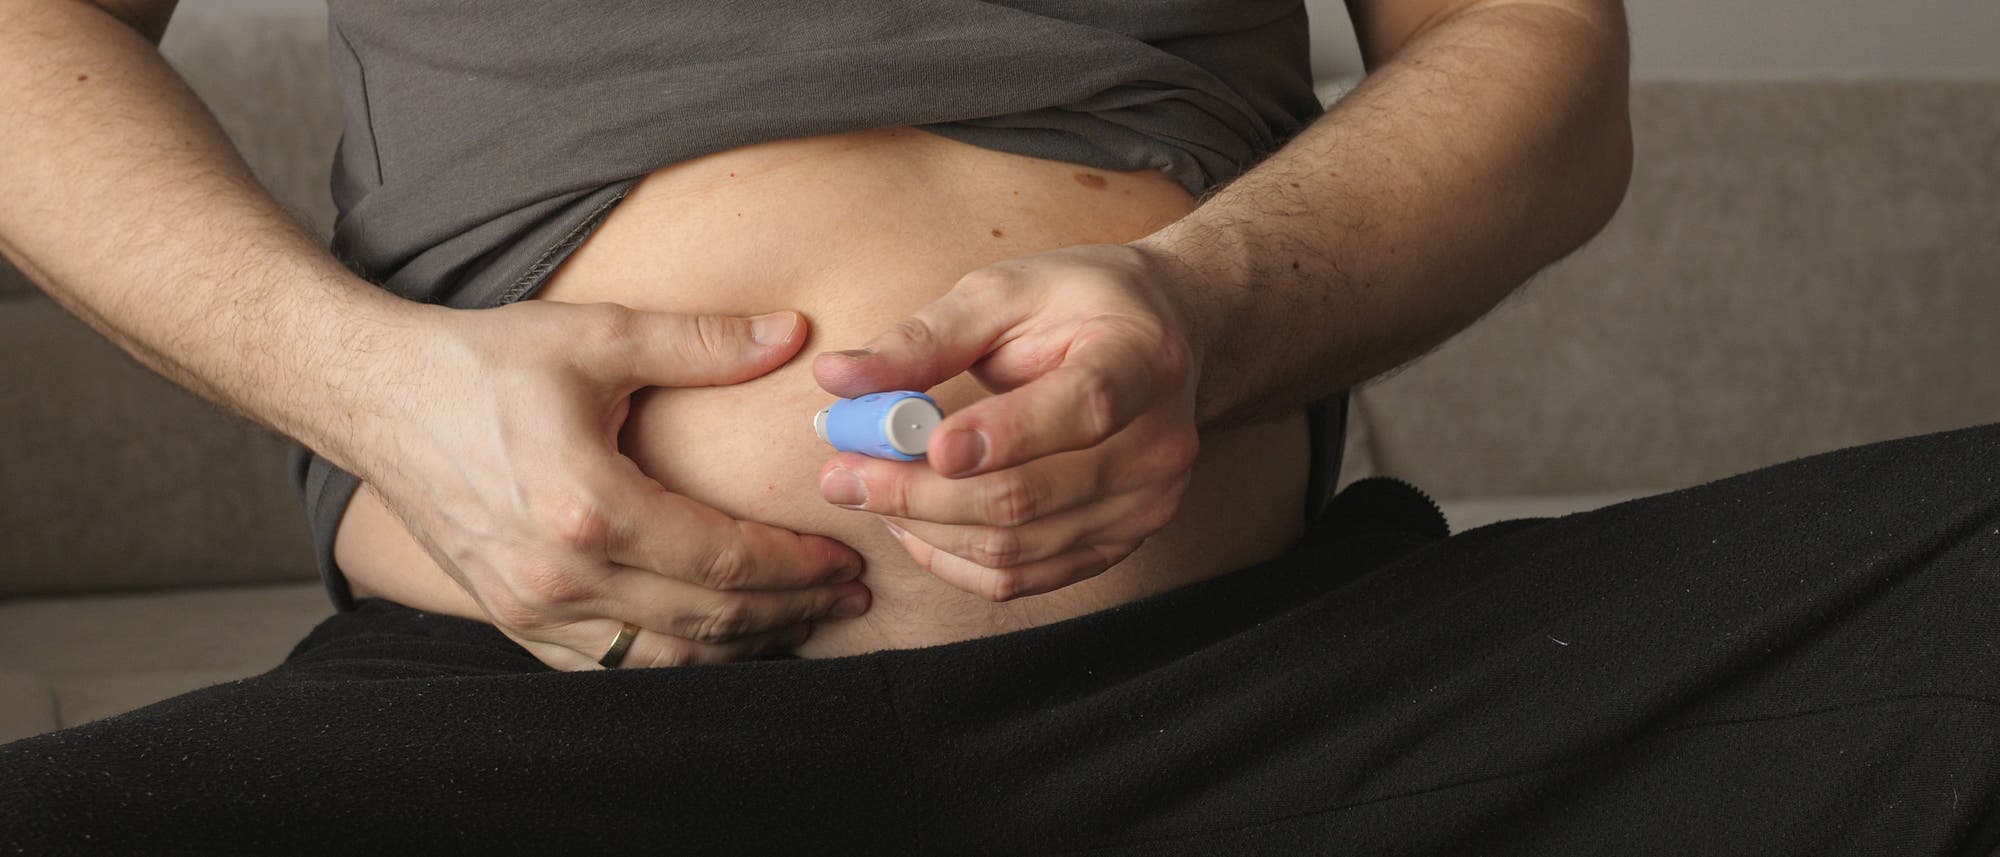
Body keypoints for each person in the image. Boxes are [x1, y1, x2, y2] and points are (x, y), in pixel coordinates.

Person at [4, 0, 1997, 854]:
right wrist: (382, 396)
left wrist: (1201, 316)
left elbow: (1529, 46)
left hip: (1291, 697)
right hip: (517, 717)